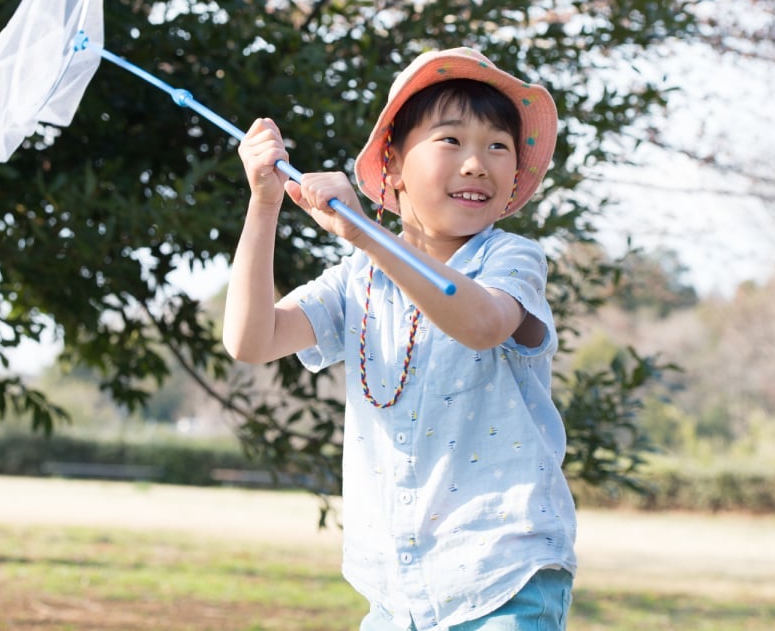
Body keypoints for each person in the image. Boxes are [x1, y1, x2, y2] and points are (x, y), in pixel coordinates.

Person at [223, 47, 575, 631]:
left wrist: (365, 236)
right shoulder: (355, 281)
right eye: (450, 140)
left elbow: (482, 324)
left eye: (497, 146)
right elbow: (251, 339)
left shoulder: (511, 258)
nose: (476, 163)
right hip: (396, 594)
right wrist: (263, 205)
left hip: (503, 577)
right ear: (391, 165)